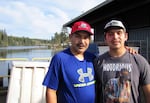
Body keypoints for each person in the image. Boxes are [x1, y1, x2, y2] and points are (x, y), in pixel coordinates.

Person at [94, 20, 150, 103]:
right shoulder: (97, 62)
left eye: (119, 33)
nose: (115, 37)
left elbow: (148, 93)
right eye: (110, 34)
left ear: (126, 36)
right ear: (105, 38)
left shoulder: (139, 61)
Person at [42, 21, 96, 103]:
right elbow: (51, 91)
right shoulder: (60, 59)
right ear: (70, 37)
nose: (82, 41)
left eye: (85, 38)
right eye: (78, 36)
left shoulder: (92, 58)